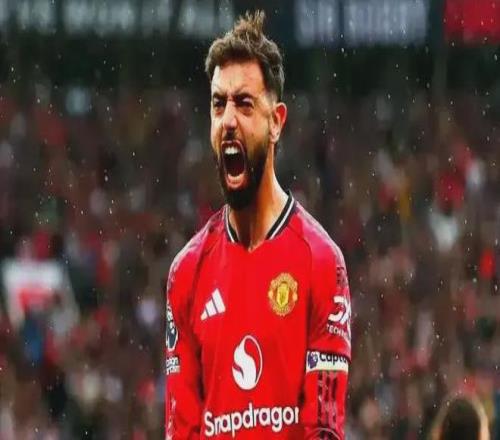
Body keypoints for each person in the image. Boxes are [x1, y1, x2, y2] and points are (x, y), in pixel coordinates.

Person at [165, 10, 351, 439]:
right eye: (218, 104)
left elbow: (323, 428)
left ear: (277, 122)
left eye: (244, 104)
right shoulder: (187, 273)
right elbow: (181, 429)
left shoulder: (321, 262)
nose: (228, 119)